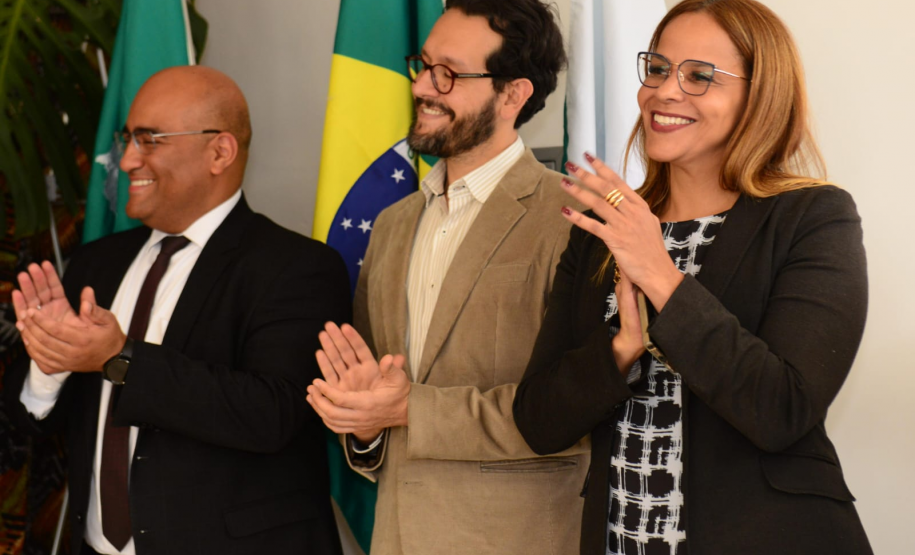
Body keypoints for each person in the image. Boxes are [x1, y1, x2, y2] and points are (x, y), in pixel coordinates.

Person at [512, 1, 873, 554]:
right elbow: (537, 421)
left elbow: (783, 410)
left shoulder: (813, 217)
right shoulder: (603, 231)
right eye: (657, 68)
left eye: (700, 76)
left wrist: (660, 273)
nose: (665, 91)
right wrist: (620, 352)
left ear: (760, 95)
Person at [3, 66, 349, 555]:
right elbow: (31, 424)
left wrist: (117, 357)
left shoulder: (296, 267)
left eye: (149, 140)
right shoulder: (97, 262)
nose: (125, 161)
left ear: (219, 152)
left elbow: (274, 415)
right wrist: (50, 360)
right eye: (128, 139)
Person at [305, 1, 588, 554]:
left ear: (514, 94)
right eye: (423, 65)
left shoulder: (574, 219)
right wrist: (364, 425)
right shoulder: (390, 226)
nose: (421, 88)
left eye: (449, 74)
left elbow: (574, 408)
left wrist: (408, 407)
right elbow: (380, 410)